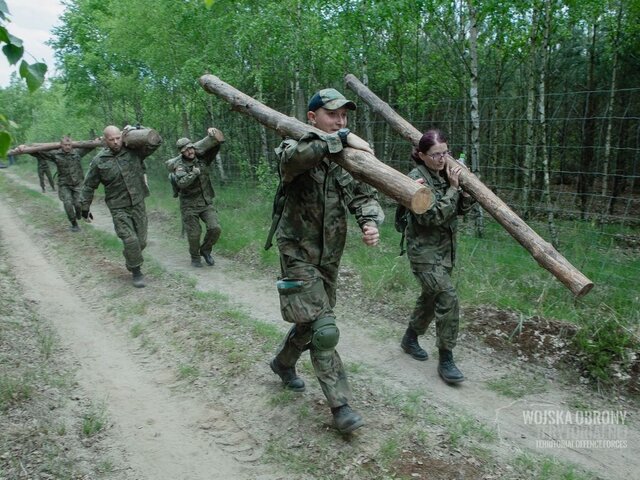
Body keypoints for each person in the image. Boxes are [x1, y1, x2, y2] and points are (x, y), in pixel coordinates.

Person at [268, 88, 384, 434]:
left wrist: (369, 222)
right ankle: (341, 406)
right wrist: (343, 138)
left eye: (344, 116)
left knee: (309, 322)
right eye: (333, 114)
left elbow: (364, 197)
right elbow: (297, 160)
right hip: (297, 254)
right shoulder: (292, 147)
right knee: (324, 329)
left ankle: (282, 363)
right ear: (312, 117)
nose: (340, 120)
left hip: (330, 257)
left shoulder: (343, 161)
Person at [399, 129, 475, 384]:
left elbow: (459, 211)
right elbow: (432, 216)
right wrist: (454, 189)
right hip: (423, 253)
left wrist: (464, 192)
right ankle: (446, 358)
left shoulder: (445, 175)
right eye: (435, 155)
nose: (442, 159)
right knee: (447, 297)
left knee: (431, 298)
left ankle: (410, 338)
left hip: (445, 251)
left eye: (445, 153)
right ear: (421, 155)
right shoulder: (415, 180)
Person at [80, 125, 161, 288]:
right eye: (112, 139)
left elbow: (155, 142)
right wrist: (84, 207)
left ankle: (131, 259)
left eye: (118, 138)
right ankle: (137, 271)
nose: (116, 142)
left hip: (137, 202)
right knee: (130, 240)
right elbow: (89, 186)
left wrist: (142, 130)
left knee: (141, 242)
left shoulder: (134, 151)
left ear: (122, 137)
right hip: (118, 207)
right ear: (105, 140)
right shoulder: (99, 161)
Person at [166, 128, 225, 267]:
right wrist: (194, 173)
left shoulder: (202, 159)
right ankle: (195, 257)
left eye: (191, 148)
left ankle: (205, 250)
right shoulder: (179, 166)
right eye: (186, 150)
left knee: (215, 228)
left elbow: (215, 148)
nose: (190, 152)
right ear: (181, 152)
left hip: (205, 201)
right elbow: (182, 183)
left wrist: (214, 137)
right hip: (189, 205)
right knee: (194, 234)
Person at [15, 136, 98, 232]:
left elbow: (89, 147)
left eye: (69, 145)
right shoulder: (56, 155)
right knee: (67, 203)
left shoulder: (77, 153)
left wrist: (96, 141)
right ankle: (74, 224)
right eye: (65, 145)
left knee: (78, 204)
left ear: (72, 145)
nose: (67, 147)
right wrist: (25, 148)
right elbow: (39, 153)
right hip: (64, 184)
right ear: (61, 146)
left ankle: (79, 214)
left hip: (78, 183)